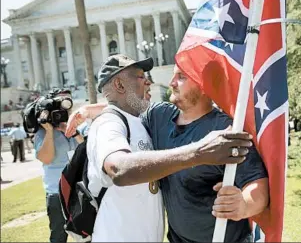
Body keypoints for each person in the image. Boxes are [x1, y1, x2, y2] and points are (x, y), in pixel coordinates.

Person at [66, 61, 269, 242]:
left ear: (205, 85)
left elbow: (258, 184)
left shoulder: (226, 131)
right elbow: (127, 106)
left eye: (181, 77)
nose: (171, 82)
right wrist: (90, 109)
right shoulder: (159, 116)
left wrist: (243, 204)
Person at [34, 89, 84, 243]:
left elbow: (88, 150)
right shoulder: (41, 133)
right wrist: (49, 131)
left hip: (79, 190)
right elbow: (46, 158)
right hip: (57, 192)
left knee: (87, 232)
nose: (63, 111)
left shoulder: (74, 128)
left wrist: (73, 132)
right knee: (58, 236)